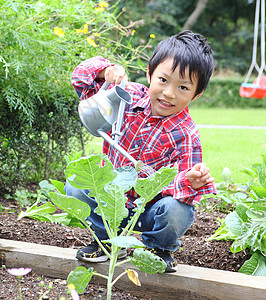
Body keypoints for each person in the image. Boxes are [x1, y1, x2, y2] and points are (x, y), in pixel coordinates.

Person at [68, 30, 216, 272]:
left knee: (176, 210)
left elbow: (184, 194)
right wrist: (106, 71)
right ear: (149, 73)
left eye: (183, 88)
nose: (169, 93)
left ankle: (158, 248)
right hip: (110, 202)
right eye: (163, 80)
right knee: (76, 185)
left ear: (196, 94)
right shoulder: (126, 97)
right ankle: (105, 239)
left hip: (148, 212)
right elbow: (80, 79)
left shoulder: (186, 133)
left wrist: (190, 180)